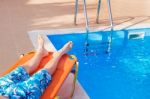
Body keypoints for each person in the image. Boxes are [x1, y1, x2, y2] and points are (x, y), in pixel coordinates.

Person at [0, 35, 73, 99]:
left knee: (21, 70)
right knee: (41, 75)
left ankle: (40, 52)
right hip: (21, 96)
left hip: (1, 88)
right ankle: (59, 54)